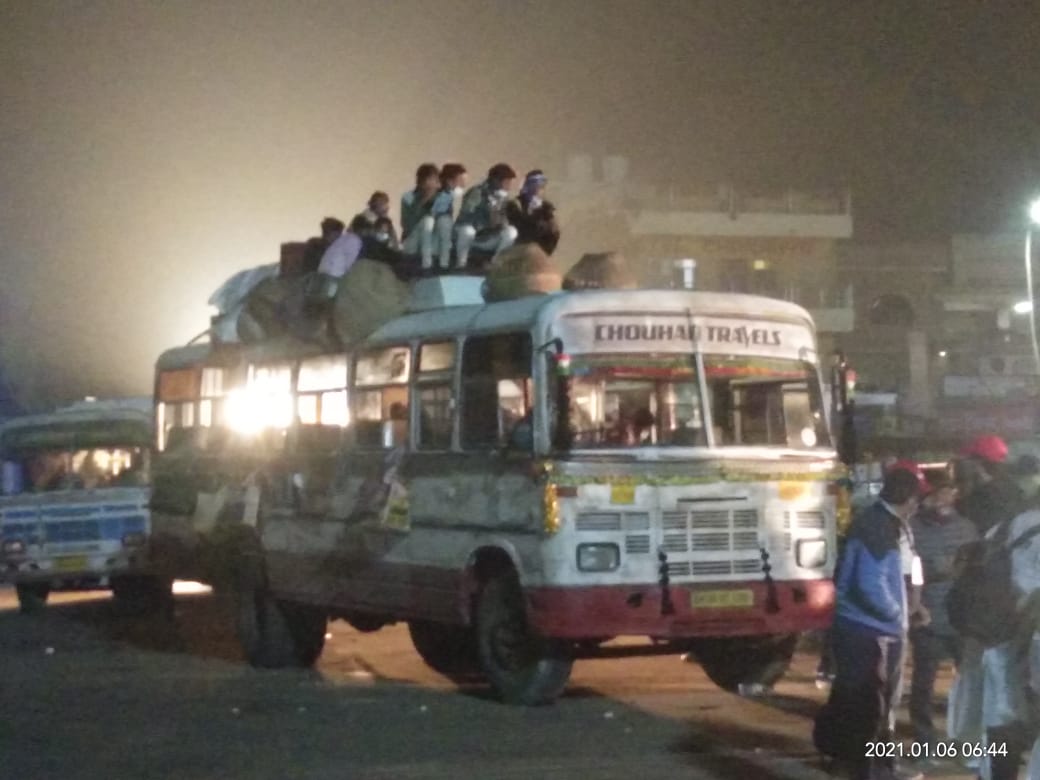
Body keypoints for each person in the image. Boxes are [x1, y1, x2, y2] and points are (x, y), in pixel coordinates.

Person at [813, 466, 924, 780]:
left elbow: (910, 567)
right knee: (868, 705)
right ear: (907, 498)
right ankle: (864, 768)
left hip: (879, 628)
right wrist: (898, 616)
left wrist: (915, 602)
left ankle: (876, 765)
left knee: (879, 701)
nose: (919, 504)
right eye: (917, 497)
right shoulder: (878, 527)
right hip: (869, 631)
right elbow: (870, 584)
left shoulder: (895, 525)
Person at [907, 473, 977, 754]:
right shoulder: (911, 529)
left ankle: (967, 738)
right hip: (927, 616)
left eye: (948, 491)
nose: (942, 498)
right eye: (936, 493)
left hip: (962, 618)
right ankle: (924, 740)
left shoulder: (967, 529)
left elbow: (977, 571)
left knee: (971, 682)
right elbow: (908, 569)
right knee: (924, 682)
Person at [454, 163, 519, 269]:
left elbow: (504, 222)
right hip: (473, 237)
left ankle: (494, 263)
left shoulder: (504, 198)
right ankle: (461, 264)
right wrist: (487, 212)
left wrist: (501, 221)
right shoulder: (477, 193)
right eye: (507, 182)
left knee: (511, 232)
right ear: (496, 180)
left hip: (489, 237)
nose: (509, 186)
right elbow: (466, 215)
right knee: (467, 230)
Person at [505, 169, 561, 255]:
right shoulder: (515, 204)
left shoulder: (546, 207)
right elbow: (515, 225)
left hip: (540, 249)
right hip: (519, 247)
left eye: (541, 185)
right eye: (534, 184)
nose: (537, 188)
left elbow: (554, 231)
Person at [400, 163, 441, 270]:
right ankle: (426, 265)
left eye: (435, 180)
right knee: (428, 221)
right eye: (430, 179)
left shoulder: (440, 199)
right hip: (411, 241)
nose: (432, 183)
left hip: (432, 243)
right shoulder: (408, 197)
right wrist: (423, 202)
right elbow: (407, 224)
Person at [431, 163, 468, 270]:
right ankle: (444, 264)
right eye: (460, 180)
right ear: (449, 181)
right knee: (445, 222)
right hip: (438, 236)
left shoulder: (460, 197)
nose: (463, 184)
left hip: (453, 233)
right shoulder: (439, 196)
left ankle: (461, 264)